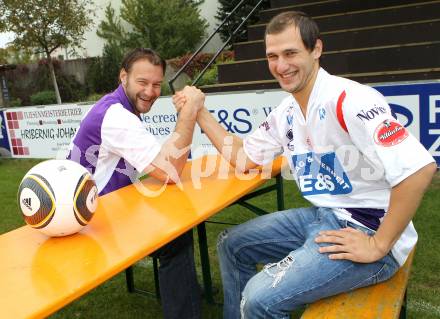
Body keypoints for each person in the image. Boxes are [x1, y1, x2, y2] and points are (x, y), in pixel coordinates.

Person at [174, 11, 437, 319]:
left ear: (316, 50)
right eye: (272, 56)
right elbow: (244, 158)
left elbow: (419, 169)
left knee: (258, 300)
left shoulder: (350, 99)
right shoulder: (287, 110)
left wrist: (378, 245)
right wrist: (200, 111)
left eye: (290, 53)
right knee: (232, 245)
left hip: (365, 231)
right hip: (324, 217)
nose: (281, 66)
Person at [67, 48, 203, 319]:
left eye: (156, 84)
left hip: (97, 208)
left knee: (177, 218)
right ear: (123, 77)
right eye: (143, 82)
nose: (151, 91)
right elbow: (169, 170)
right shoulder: (117, 117)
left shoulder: (113, 106)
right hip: (92, 221)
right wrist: (189, 112)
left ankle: (186, 296)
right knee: (176, 236)